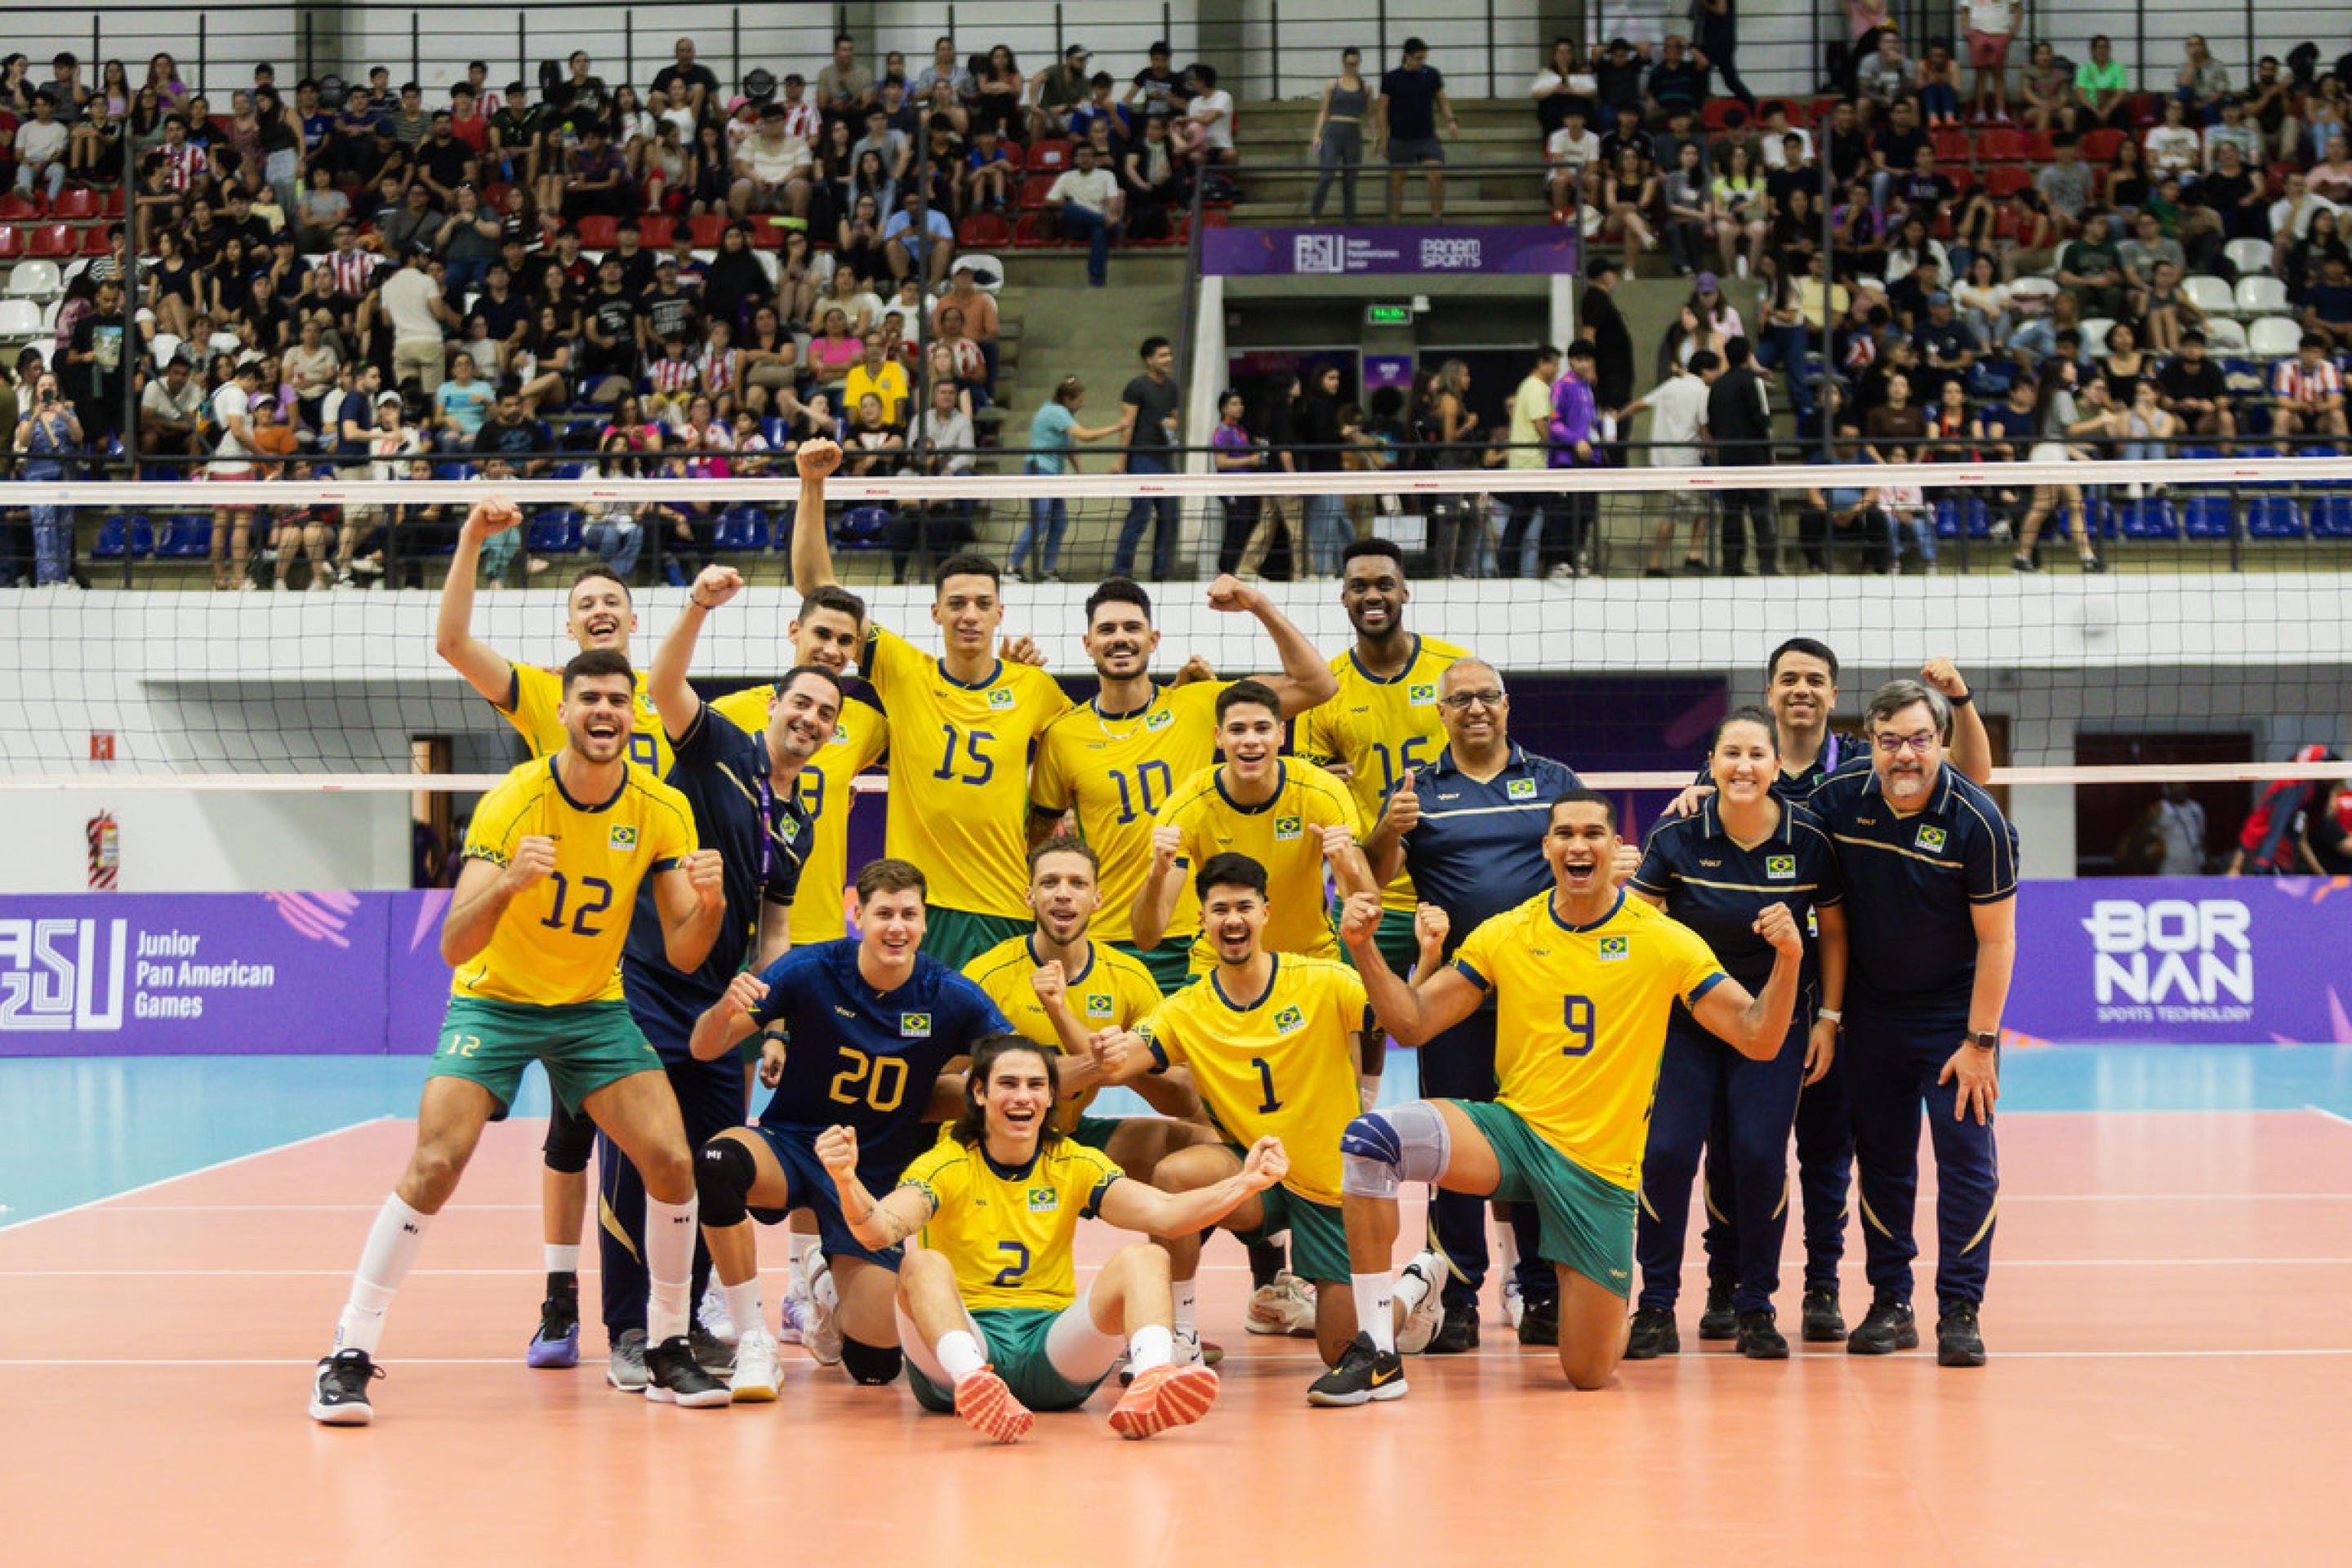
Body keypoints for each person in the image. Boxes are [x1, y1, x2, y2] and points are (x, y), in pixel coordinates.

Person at [309, 647, 733, 1423]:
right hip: (494, 1001)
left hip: (592, 1008)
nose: (605, 711)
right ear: (563, 712)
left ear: (636, 714)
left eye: (618, 699)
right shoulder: (515, 800)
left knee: (673, 1161)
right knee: (437, 1161)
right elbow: (454, 947)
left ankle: (669, 1343)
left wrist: (707, 905)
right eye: (589, 699)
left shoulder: (663, 809)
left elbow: (682, 952)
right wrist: (508, 883)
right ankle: (347, 1352)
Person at [431, 502, 775, 1363]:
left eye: (612, 603)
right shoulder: (555, 694)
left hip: (662, 923)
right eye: (584, 602)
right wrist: (474, 541)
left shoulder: (658, 699)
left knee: (653, 1141)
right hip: (572, 937)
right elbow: (452, 643)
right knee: (572, 1133)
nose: (598, 610)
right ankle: (562, 1300)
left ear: (632, 620)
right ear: (570, 623)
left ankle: (668, 1321)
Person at [1322, 790, 1802, 1401]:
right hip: (1513, 1136)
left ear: (1615, 849)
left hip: (1598, 1171)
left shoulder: (1664, 940)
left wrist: (1788, 960)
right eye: (1566, 834)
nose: (1580, 845)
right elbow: (1412, 1024)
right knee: (1370, 1142)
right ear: (1547, 848)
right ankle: (1377, 1350)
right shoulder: (1507, 934)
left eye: (1594, 834)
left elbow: (1759, 1039)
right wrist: (1363, 950)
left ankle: (1443, 1286)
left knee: (1587, 1373)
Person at [564, 570, 836, 1390]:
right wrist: (698, 607)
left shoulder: (797, 822)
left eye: (826, 713)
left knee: (713, 1162)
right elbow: (662, 684)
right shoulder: (716, 743)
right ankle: (624, 1328)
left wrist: (769, 1016)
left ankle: (681, 1329)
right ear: (774, 707)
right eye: (801, 704)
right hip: (648, 982)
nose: (811, 720)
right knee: (637, 1156)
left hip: (723, 1007)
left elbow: (776, 926)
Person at [819, 1035, 1277, 1441]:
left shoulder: (1072, 1162)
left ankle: (1152, 1379)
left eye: (1036, 1085)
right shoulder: (946, 1164)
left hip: (1051, 1349)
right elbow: (879, 1231)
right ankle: (977, 1384)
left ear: (1051, 1096)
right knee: (920, 1264)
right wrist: (845, 1180)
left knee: (1147, 1257)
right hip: (963, 1348)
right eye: (1009, 1084)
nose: (1024, 1097)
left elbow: (1167, 1213)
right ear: (979, 1092)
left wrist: (1246, 1183)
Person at [1098, 853, 1442, 1379]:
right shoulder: (1186, 1008)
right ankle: (1181, 1335)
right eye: (1219, 910)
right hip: (1255, 1175)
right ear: (1204, 922)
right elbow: (1121, 1064)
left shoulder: (1323, 980)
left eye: (1243, 907)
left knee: (1344, 1351)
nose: (1231, 919)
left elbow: (1406, 1018)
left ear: (1265, 913)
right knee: (1174, 1178)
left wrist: (1405, 951)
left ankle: (1417, 1282)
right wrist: (1085, 1034)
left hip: (1332, 1182)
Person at [684, 858, 1014, 1396]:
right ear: (857, 913)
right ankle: (752, 1340)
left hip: (875, 1179)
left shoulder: (949, 994)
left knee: (874, 1369)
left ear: (925, 921)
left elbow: (1013, 1070)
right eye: (884, 913)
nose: (897, 926)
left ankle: (824, 1279)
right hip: (794, 1145)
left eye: (909, 914)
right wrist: (724, 1008)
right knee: (719, 1163)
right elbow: (703, 1047)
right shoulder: (808, 970)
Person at [1359, 660, 1588, 1349]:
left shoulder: (1553, 782)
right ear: (1441, 712)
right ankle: (1455, 1296)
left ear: (1507, 704)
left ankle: (1543, 1292)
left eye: (1487, 696)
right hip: (1454, 997)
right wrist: (1388, 830)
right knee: (1454, 1146)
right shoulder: (1416, 792)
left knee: (1541, 1143)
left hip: (1540, 994)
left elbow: (1592, 856)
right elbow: (1370, 878)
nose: (1476, 708)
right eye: (1460, 700)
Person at [789, 452, 1072, 969]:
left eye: (982, 604)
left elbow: (1086, 746)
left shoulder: (1033, 686)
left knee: (997, 1048)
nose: (970, 615)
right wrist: (812, 487)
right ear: (936, 611)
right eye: (957, 603)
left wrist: (1062, 812)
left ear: (999, 613)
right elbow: (819, 591)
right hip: (915, 904)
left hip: (1002, 902)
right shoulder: (904, 671)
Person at [1625, 708, 1847, 1361]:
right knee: (1666, 1155)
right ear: (1713, 765)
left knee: (1757, 1156)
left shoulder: (1809, 838)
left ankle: (1755, 1307)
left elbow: (1833, 934)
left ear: (1778, 767)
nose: (1743, 767)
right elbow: (1639, 924)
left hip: (1775, 1020)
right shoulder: (1677, 834)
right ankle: (1656, 1307)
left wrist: (1829, 1020)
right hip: (1692, 1019)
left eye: (1757, 755)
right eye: (1731, 755)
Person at [1806, 680, 2016, 1367]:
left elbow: (1998, 941)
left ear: (1940, 743)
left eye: (1919, 739)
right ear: (1869, 744)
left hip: (1954, 1023)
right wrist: (1695, 800)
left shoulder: (1976, 820)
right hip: (1871, 1018)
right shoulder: (1838, 799)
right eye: (1890, 740)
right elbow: (1762, 816)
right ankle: (1890, 1300)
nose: (1905, 755)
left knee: (1967, 1169)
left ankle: (1961, 1307)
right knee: (1885, 1165)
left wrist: (1980, 1044)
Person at [1029, 576, 1336, 996]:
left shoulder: (1198, 703)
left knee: (1188, 1063)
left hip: (1196, 938)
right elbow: (1040, 836)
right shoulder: (1064, 735)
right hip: (1102, 937)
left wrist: (1257, 603)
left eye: (1132, 628)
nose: (1120, 638)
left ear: (1153, 639)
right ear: (1087, 644)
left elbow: (1319, 685)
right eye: (1107, 630)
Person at [964, 838, 1214, 1175]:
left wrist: (1125, 1066)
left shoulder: (1128, 977)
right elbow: (936, 1080)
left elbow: (1184, 1097)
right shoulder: (986, 976)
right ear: (1029, 896)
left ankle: (1260, 1226)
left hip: (1071, 1135)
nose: (1063, 893)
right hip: (993, 1143)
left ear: (1097, 900)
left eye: (1078, 884)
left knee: (1206, 1148)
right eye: (1049, 882)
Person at [1293, 537, 1472, 976]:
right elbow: (1309, 794)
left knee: (1451, 1029)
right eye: (1359, 586)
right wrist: (1321, 780)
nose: (1372, 595)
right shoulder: (1325, 688)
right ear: (1344, 597)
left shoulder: (1454, 668)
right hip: (1369, 893)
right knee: (1359, 1027)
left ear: (1404, 592)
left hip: (1450, 886)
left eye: (1384, 584)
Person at [1133, 679, 1376, 970]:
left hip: (1309, 961)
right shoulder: (1186, 806)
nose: (1250, 740)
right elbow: (1146, 939)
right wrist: (1156, 874)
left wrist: (1350, 870)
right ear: (1218, 737)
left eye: (1262, 728)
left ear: (1281, 734)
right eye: (1237, 730)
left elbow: (1369, 911)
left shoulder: (1322, 792)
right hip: (1220, 964)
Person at [1011, 376, 1120, 582]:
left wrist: (1079, 472)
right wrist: (1118, 427)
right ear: (1068, 399)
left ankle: (1048, 571)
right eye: (1079, 400)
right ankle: (1012, 566)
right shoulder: (1057, 412)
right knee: (1040, 520)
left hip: (1053, 475)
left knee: (1059, 521)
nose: (1082, 404)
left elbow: (1068, 445)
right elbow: (1085, 436)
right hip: (1039, 471)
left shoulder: (1062, 414)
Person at [1619, 350, 1719, 575]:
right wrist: (1714, 452)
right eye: (1715, 370)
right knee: (1675, 514)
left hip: (1663, 460)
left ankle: (1693, 555)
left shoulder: (1671, 385)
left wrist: (1617, 417)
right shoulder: (1703, 392)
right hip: (1686, 462)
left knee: (1705, 508)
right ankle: (1656, 563)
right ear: (1705, 371)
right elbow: (1703, 427)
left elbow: (1640, 403)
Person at [1705, 336, 1777, 574]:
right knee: (1760, 510)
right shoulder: (1753, 382)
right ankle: (1767, 564)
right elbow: (1761, 419)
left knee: (1732, 512)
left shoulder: (1717, 385)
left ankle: (1731, 564)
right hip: (1753, 456)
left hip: (1727, 457)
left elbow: (1712, 423)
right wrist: (1768, 452)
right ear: (1748, 355)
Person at [1112, 336, 1182, 579]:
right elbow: (1127, 425)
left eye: (1169, 354)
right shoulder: (1136, 387)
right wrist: (1121, 461)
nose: (1168, 359)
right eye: (1163, 355)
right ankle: (1121, 571)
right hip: (1142, 456)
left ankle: (1161, 571)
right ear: (1149, 360)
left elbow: (1175, 418)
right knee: (1140, 513)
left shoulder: (1172, 388)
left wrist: (1174, 423)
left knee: (1170, 514)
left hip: (1164, 458)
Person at [1374, 38, 1457, 224]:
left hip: (1426, 137)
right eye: (1418, 58)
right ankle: (1394, 219)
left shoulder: (1432, 75)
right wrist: (1383, 138)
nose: (1422, 62)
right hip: (1400, 138)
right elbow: (1382, 108)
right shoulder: (1391, 78)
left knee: (1435, 175)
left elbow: (1442, 100)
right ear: (1407, 57)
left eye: (1423, 58)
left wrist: (1451, 120)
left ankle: (1436, 218)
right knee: (1397, 181)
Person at [1047, 140, 1123, 287]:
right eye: (1081, 156)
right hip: (1077, 225)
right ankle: (1105, 221)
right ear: (1075, 159)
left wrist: (1112, 214)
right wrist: (1066, 204)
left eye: (1088, 155)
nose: (1084, 159)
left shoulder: (1107, 175)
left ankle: (1097, 280)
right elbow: (1049, 201)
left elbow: (1113, 199)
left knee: (1098, 230)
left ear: (1094, 158)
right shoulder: (1066, 177)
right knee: (1069, 208)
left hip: (1099, 225)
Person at [1310, 48, 1370, 223]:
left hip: (1353, 133)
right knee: (1326, 175)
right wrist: (1317, 134)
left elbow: (1370, 114)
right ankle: (1315, 215)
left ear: (1359, 63)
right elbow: (1324, 111)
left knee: (1350, 179)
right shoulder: (1332, 84)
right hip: (1333, 132)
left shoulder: (1365, 86)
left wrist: (1375, 135)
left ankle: (1349, 219)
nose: (1352, 67)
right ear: (1343, 63)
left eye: (1355, 63)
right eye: (1349, 63)